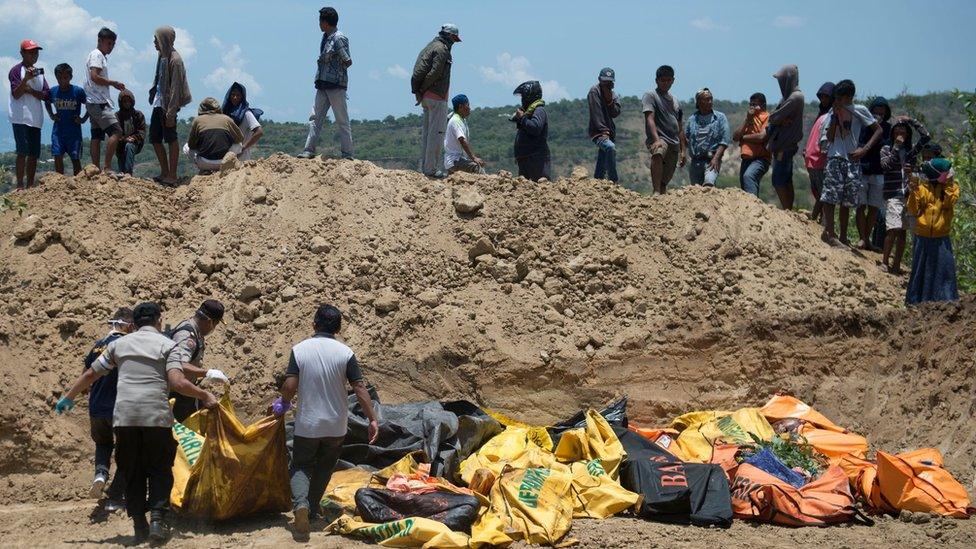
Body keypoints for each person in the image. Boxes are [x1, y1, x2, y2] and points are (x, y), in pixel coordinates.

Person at [55, 302, 218, 544]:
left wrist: (67, 398)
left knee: (133, 469)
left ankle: (139, 524)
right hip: (156, 418)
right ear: (159, 321)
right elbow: (177, 382)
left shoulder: (118, 345)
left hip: (125, 418)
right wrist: (205, 395)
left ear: (133, 324)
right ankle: (157, 520)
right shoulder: (168, 345)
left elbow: (91, 374)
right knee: (161, 468)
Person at [273, 304, 378, 540]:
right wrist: (372, 419)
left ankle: (300, 505)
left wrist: (282, 404)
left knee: (300, 464)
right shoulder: (345, 353)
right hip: (336, 425)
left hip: (308, 424)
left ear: (314, 324)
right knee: (325, 465)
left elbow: (290, 385)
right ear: (338, 329)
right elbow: (359, 388)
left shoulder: (300, 350)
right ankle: (310, 510)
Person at [818, 79, 883, 247]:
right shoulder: (832, 113)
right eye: (836, 99)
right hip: (835, 156)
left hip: (852, 158)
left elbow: (878, 130)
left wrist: (864, 149)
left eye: (840, 98)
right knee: (831, 196)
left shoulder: (859, 110)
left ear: (849, 97)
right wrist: (834, 117)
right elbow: (830, 138)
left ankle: (843, 236)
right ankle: (831, 234)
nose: (837, 102)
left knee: (847, 200)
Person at [81, 307, 133, 511]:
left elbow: (85, 378)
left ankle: (101, 474)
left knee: (103, 444)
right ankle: (114, 497)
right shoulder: (126, 346)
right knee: (127, 450)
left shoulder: (97, 346)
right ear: (129, 325)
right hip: (119, 407)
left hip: (96, 408)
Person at [297, 7, 353, 160]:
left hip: (335, 85)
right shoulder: (326, 37)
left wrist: (332, 67)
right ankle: (308, 150)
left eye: (321, 21)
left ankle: (347, 154)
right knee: (315, 118)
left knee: (342, 120)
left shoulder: (338, 38)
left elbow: (347, 60)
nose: (319, 24)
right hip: (323, 84)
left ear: (325, 22)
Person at [880, 117, 930, 274]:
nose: (900, 132)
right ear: (893, 132)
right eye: (897, 129)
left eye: (903, 129)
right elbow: (886, 166)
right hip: (893, 193)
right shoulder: (886, 149)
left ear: (908, 133)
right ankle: (884, 262)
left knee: (903, 231)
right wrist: (896, 147)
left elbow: (926, 136)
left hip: (910, 194)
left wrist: (912, 121)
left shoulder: (912, 150)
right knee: (893, 228)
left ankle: (896, 265)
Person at [906, 158, 959, 305]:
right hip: (922, 238)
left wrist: (947, 184)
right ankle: (916, 302)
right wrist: (913, 190)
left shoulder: (952, 188)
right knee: (921, 272)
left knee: (943, 273)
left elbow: (949, 202)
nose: (949, 176)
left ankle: (946, 303)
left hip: (941, 239)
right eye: (946, 174)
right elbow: (913, 209)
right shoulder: (922, 189)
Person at [411, 23, 461, 177]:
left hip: (426, 98)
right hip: (437, 97)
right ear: (450, 36)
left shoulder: (430, 46)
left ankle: (426, 168)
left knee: (427, 134)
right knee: (437, 134)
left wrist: (419, 91)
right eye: (454, 38)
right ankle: (431, 170)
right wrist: (424, 89)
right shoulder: (442, 49)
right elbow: (435, 73)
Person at [167, 300, 228, 422]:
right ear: (209, 322)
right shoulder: (187, 336)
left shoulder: (196, 332)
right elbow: (179, 364)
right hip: (177, 395)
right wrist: (207, 373)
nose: (214, 329)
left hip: (186, 392)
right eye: (215, 325)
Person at [148, 26, 192, 186]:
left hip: (168, 105)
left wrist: (171, 113)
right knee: (154, 137)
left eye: (156, 39)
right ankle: (165, 171)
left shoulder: (175, 60)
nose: (154, 42)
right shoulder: (162, 56)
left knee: (171, 137)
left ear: (163, 40)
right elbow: (158, 77)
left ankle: (172, 174)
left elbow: (176, 88)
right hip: (159, 102)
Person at [8, 39, 50, 191]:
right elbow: (16, 94)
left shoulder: (39, 73)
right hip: (20, 117)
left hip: (36, 118)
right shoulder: (15, 71)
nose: (34, 55)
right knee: (22, 151)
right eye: (31, 52)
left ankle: (30, 184)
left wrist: (30, 90)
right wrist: (25, 79)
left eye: (36, 52)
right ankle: (20, 185)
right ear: (22, 53)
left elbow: (46, 94)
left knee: (33, 153)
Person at [85, 27, 126, 173]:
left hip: (93, 101)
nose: (111, 47)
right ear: (100, 41)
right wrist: (112, 83)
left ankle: (94, 169)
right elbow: (94, 77)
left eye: (112, 44)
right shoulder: (97, 55)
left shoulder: (96, 55)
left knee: (96, 135)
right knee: (116, 131)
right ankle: (107, 167)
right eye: (108, 43)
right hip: (99, 102)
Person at [642, 65, 685, 194]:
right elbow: (649, 118)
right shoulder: (651, 96)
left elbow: (680, 127)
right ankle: (655, 192)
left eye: (668, 80)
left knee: (666, 177)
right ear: (657, 80)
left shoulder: (676, 101)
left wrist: (683, 150)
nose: (666, 83)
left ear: (673, 80)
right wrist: (656, 139)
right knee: (658, 153)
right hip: (660, 137)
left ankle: (661, 195)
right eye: (663, 80)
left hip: (674, 141)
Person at [767, 64, 805, 210]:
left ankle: (787, 209)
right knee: (785, 179)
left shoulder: (795, 97)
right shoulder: (789, 97)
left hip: (785, 145)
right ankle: (788, 209)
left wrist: (778, 119)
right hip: (783, 144)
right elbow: (775, 116)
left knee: (779, 180)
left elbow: (774, 117)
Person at [46, 63, 87, 176]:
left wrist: (83, 119)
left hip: (74, 132)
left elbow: (89, 104)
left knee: (75, 157)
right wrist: (51, 115)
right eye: (59, 78)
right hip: (58, 131)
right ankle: (60, 181)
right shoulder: (53, 91)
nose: (62, 80)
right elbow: (47, 102)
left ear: (70, 77)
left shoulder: (77, 91)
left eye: (65, 78)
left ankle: (78, 182)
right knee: (57, 155)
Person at [183, 97, 244, 173]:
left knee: (186, 147)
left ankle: (205, 170)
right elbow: (240, 138)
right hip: (224, 162)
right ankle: (229, 165)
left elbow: (191, 145)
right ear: (218, 108)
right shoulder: (227, 119)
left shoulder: (197, 120)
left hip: (204, 163)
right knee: (238, 144)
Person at [684, 88, 730, 187]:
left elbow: (725, 140)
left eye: (711, 99)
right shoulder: (692, 119)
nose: (710, 102)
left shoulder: (720, 118)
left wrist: (716, 158)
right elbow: (685, 139)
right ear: (699, 102)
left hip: (711, 160)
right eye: (706, 99)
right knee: (696, 191)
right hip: (695, 162)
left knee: (709, 184)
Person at [803, 82, 835, 221]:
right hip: (818, 159)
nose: (823, 100)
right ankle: (819, 220)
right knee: (823, 193)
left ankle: (818, 218)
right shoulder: (828, 115)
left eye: (826, 97)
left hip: (815, 158)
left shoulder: (827, 114)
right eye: (821, 97)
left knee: (822, 192)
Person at [511, 80, 551, 182]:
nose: (522, 100)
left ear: (530, 96)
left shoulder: (539, 110)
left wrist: (522, 118)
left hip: (536, 159)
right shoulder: (530, 112)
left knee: (539, 188)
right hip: (526, 159)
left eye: (523, 97)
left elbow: (535, 128)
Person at [733, 92, 771, 196]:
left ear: (763, 105)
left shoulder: (768, 117)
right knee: (745, 186)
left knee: (748, 176)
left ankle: (753, 209)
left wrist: (744, 138)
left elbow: (761, 137)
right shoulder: (749, 118)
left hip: (761, 158)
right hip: (746, 159)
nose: (752, 107)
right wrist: (747, 120)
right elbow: (735, 137)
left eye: (755, 104)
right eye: (751, 104)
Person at [587, 67, 621, 182]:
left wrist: (609, 100)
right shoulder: (594, 91)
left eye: (609, 82)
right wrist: (603, 131)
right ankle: (613, 180)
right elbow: (596, 112)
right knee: (610, 148)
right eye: (604, 81)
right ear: (599, 80)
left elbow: (615, 113)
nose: (607, 84)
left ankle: (598, 181)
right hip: (598, 132)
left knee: (603, 158)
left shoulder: (613, 95)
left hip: (610, 132)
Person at [443, 94, 485, 174]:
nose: (469, 108)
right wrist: (473, 157)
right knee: (477, 168)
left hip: (456, 160)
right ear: (460, 107)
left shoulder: (461, 119)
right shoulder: (456, 121)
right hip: (454, 160)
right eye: (468, 105)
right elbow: (462, 140)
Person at [222, 81, 264, 161]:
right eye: (233, 94)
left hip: (242, 159)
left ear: (242, 97)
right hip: (226, 157)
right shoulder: (225, 113)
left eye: (238, 95)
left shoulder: (246, 113)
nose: (235, 97)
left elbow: (259, 132)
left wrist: (243, 148)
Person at [115, 90, 146, 174]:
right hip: (120, 143)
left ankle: (128, 174)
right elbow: (115, 132)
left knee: (129, 146)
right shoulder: (117, 116)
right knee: (121, 168)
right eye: (124, 101)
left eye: (129, 101)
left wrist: (134, 138)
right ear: (121, 102)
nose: (127, 103)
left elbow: (142, 131)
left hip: (135, 143)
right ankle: (122, 175)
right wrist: (124, 139)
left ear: (132, 102)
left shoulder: (138, 115)